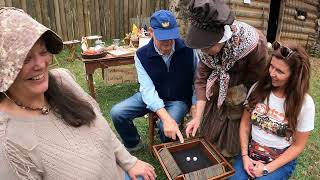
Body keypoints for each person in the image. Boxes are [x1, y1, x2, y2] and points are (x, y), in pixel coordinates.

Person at [0, 7, 156, 180]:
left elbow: (100, 125)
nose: (40, 64)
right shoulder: (8, 145)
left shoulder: (62, 80)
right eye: (26, 58)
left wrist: (129, 162)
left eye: (43, 52)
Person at [184, 0, 269, 157]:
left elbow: (259, 79)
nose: (204, 51)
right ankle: (213, 145)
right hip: (219, 86)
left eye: (208, 47)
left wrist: (242, 99)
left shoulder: (253, 43)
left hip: (244, 87)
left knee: (234, 126)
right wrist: (197, 117)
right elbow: (201, 80)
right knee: (211, 131)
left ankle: (233, 148)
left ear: (222, 37)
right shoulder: (205, 50)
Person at [111, 10, 198, 151]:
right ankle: (133, 143)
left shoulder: (189, 49)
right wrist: (166, 118)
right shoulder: (141, 55)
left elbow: (198, 80)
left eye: (171, 36)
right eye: (163, 37)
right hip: (151, 95)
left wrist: (194, 105)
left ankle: (166, 145)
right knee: (117, 113)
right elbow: (147, 90)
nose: (168, 42)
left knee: (166, 129)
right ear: (151, 32)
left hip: (178, 99)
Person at [229, 41, 315, 179]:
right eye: (271, 66)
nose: (271, 73)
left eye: (280, 71)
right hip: (251, 153)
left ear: (295, 76)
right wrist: (245, 156)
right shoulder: (258, 89)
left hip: (279, 162)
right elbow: (245, 125)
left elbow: (298, 146)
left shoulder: (305, 104)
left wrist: (266, 169)